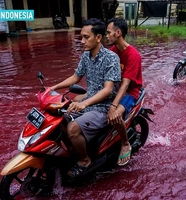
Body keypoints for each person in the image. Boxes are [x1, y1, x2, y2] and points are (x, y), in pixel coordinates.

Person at [50, 18, 121, 177]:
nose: (82, 41)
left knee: (72, 128)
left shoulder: (111, 58)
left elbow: (108, 89)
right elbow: (75, 77)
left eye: (86, 37)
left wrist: (84, 103)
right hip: (88, 103)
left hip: (103, 107)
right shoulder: (86, 56)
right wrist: (53, 87)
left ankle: (85, 160)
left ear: (98, 37)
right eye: (81, 37)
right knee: (59, 120)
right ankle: (74, 150)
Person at [106, 18, 143, 166]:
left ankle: (125, 142)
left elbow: (126, 83)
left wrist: (114, 106)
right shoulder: (112, 52)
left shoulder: (133, 55)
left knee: (115, 116)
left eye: (108, 33)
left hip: (130, 92)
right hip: (114, 89)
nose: (106, 36)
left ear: (118, 33)